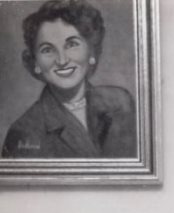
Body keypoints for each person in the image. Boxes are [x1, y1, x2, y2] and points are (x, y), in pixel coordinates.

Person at [1, 0, 136, 159]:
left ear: (91, 51)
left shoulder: (121, 103)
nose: (62, 60)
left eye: (72, 44)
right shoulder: (24, 131)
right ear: (36, 62)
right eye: (47, 50)